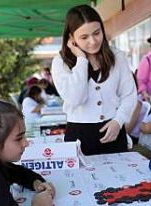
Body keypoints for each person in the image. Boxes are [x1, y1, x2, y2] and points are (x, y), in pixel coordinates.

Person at [51, 5, 137, 155]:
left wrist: (118, 121)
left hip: (113, 130)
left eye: (97, 33)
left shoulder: (117, 56)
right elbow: (75, 98)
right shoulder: (61, 62)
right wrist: (81, 60)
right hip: (79, 135)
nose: (93, 41)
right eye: (84, 37)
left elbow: (129, 94)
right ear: (71, 38)